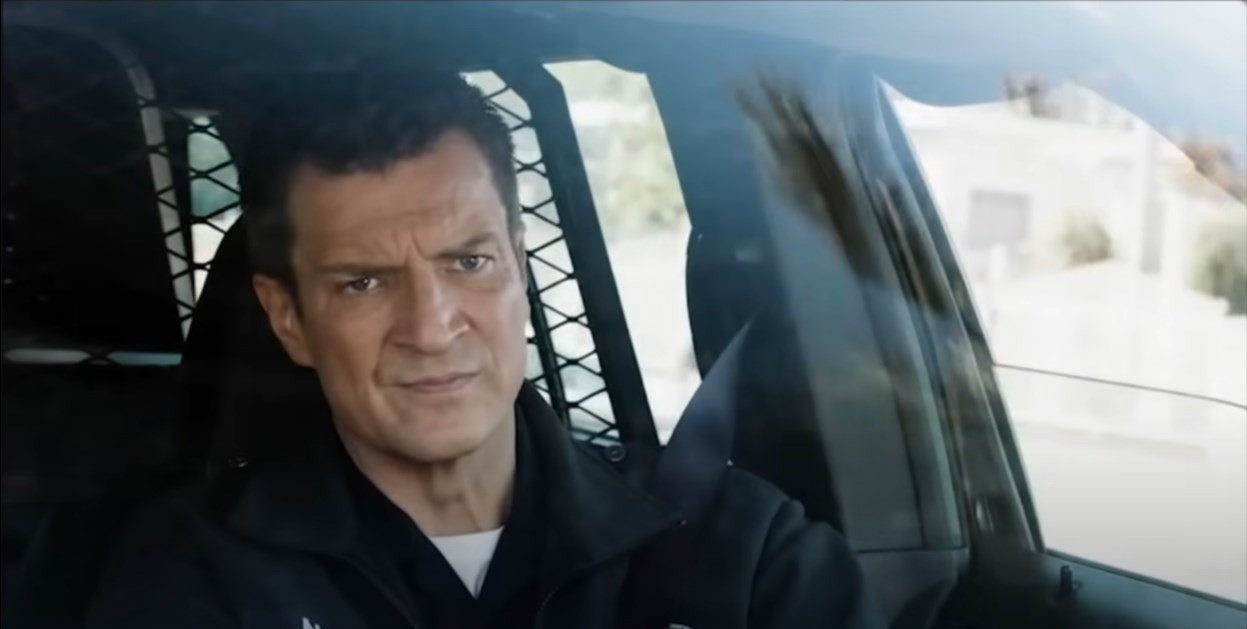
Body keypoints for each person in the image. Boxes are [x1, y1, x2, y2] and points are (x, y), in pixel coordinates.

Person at [85, 64, 886, 629]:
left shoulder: (741, 551)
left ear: (517, 268)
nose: (432, 327)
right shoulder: (193, 575)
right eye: (363, 282)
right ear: (288, 318)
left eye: (467, 263)